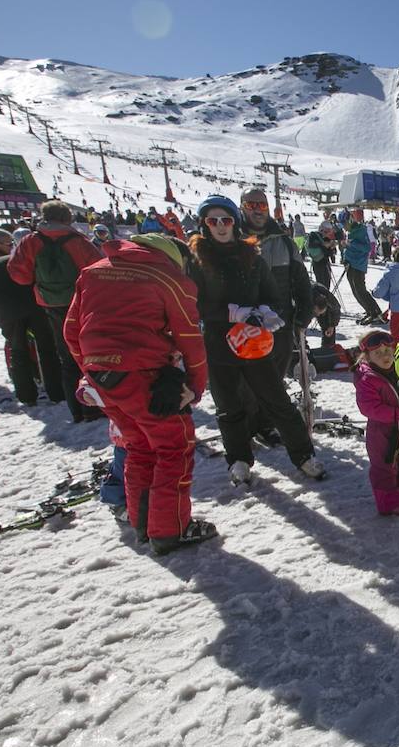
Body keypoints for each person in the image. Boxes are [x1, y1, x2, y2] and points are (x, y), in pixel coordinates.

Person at [64, 233, 217, 554]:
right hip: (145, 376)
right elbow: (190, 338)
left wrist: (93, 371)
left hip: (104, 377)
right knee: (174, 446)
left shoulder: (93, 272)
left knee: (140, 446)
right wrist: (195, 387)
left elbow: (71, 331)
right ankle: (170, 530)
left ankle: (143, 524)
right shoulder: (169, 278)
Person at [188, 195, 325, 485]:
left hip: (254, 341)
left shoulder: (252, 255)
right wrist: (231, 314)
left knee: (276, 399)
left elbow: (273, 296)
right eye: (213, 221)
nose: (220, 226)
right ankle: (238, 458)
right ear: (204, 225)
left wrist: (265, 313)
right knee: (228, 405)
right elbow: (195, 304)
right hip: (219, 343)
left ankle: (303, 455)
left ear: (234, 222)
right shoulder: (197, 261)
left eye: (225, 220)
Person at [8, 199, 104, 422]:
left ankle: (76, 408)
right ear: (67, 218)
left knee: (67, 356)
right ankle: (92, 406)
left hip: (50, 304)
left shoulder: (31, 242)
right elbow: (99, 270)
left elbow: (19, 274)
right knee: (88, 352)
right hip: (81, 303)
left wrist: (39, 282)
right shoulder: (78, 242)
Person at [0, 228, 66, 405]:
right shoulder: (22, 262)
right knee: (47, 349)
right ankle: (56, 390)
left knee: (18, 351)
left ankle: (26, 395)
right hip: (36, 307)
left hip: (8, 313)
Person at [241, 188, 314, 376]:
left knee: (275, 381)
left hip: (281, 323)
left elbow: (301, 281)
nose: (257, 210)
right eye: (251, 205)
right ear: (242, 208)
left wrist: (304, 312)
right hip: (243, 326)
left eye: (262, 205)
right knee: (247, 386)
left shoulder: (285, 243)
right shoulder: (232, 240)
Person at [353, 328, 399, 516]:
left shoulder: (398, 370)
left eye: (388, 352)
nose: (385, 356)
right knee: (384, 466)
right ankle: (389, 501)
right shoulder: (367, 378)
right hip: (380, 432)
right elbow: (368, 408)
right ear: (366, 356)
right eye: (378, 353)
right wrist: (398, 413)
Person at [343, 208, 384, 323]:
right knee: (355, 291)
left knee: (360, 290)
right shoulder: (351, 232)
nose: (343, 227)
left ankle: (375, 312)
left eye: (344, 224)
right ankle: (369, 310)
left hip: (358, 265)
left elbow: (366, 248)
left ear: (350, 221)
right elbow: (349, 247)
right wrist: (345, 257)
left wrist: (351, 244)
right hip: (351, 264)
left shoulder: (361, 230)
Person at [373, 246, 399, 342]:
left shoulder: (390, 273)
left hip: (397, 310)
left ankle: (395, 353)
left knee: (395, 336)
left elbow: (379, 292)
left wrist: (374, 293)